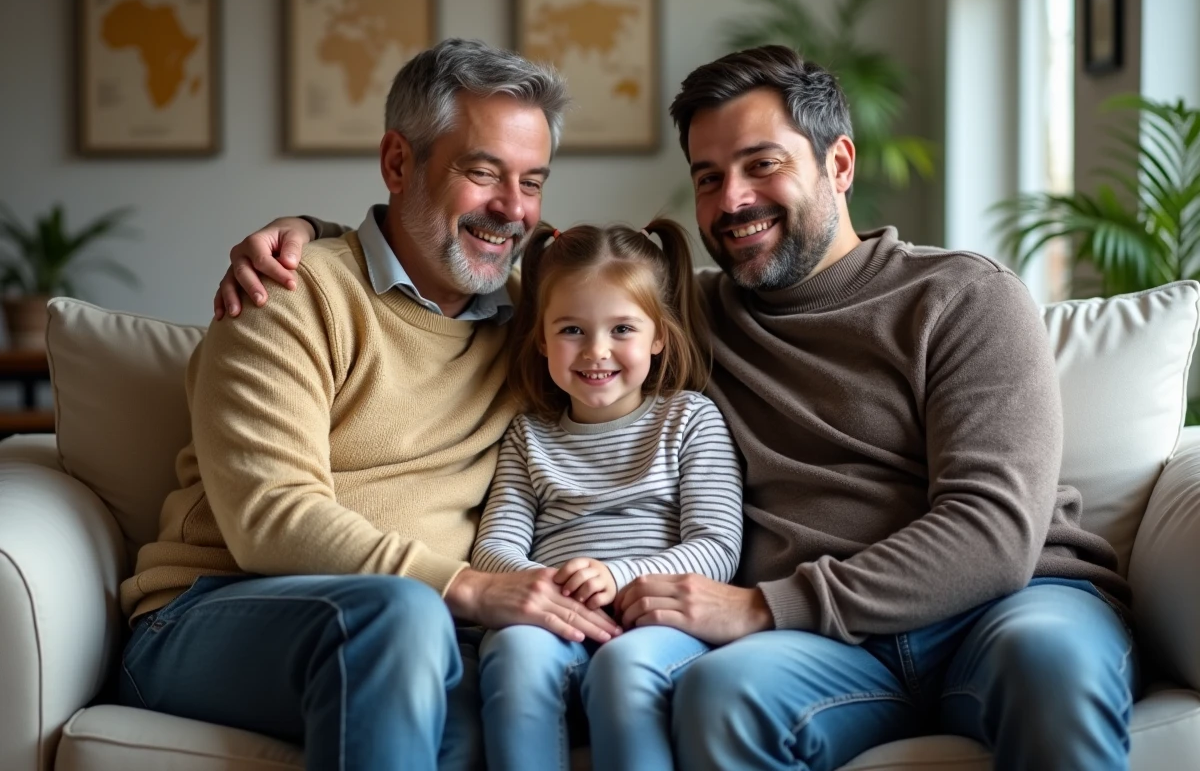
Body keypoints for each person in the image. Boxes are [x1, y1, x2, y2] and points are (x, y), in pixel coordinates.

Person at [219, 45, 1137, 770]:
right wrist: (315, 234)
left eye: (760, 165)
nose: (732, 200)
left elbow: (993, 528)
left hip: (1000, 607)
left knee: (1053, 665)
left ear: (840, 162)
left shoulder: (962, 296)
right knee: (717, 698)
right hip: (834, 653)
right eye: (707, 175)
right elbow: (559, 290)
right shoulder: (688, 312)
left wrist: (764, 609)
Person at [116, 38, 623, 771]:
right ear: (397, 162)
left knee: (491, 712)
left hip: (425, 635)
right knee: (401, 617)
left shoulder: (538, 325)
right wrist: (469, 588)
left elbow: (646, 302)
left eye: (532, 181)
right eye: (482, 173)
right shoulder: (287, 295)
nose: (512, 209)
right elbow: (269, 519)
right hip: (210, 615)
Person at [471, 219, 743, 771]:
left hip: (659, 627)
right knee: (513, 655)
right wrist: (545, 588)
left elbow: (717, 546)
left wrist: (618, 576)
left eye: (622, 329)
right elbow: (493, 546)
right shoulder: (529, 436)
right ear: (542, 338)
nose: (596, 351)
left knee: (625, 667)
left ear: (658, 335)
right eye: (572, 330)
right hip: (556, 621)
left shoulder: (689, 420)